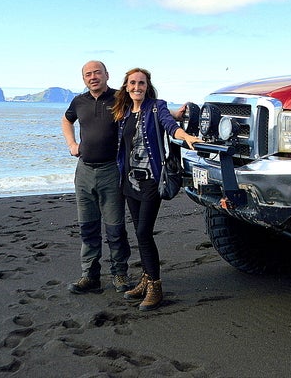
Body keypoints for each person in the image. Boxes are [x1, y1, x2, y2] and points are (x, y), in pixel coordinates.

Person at [112, 67, 201, 311]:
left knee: (143, 232)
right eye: (132, 83)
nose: (137, 87)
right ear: (126, 86)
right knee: (139, 232)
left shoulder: (157, 106)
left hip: (152, 180)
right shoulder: (123, 111)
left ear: (147, 86)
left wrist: (187, 137)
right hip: (129, 181)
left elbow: (170, 125)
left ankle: (155, 287)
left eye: (141, 83)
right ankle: (145, 279)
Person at [61, 61, 133, 294]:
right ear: (83, 78)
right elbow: (66, 120)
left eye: (97, 73)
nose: (93, 77)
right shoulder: (78, 101)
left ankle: (120, 275)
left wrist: (174, 114)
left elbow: (149, 107)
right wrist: (72, 144)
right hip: (83, 172)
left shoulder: (121, 97)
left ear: (106, 75)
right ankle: (89, 276)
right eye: (88, 74)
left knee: (115, 228)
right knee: (88, 228)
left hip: (111, 171)